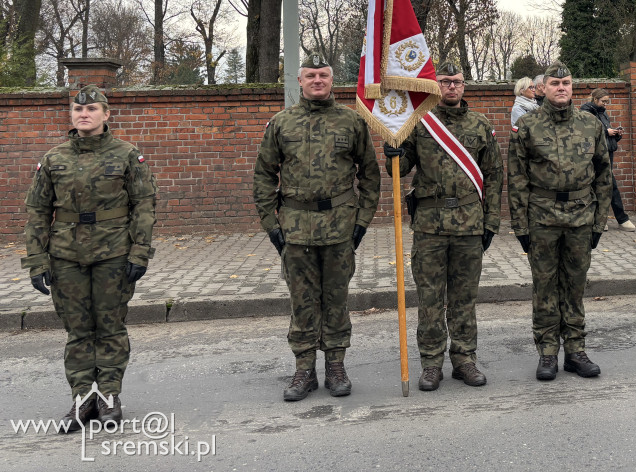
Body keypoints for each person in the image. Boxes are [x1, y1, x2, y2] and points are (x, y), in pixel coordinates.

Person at [23, 85, 157, 429]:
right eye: (78, 110)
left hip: (114, 252)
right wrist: (37, 260)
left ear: (106, 114)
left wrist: (140, 252)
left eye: (92, 109)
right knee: (78, 330)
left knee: (110, 327)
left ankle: (110, 397)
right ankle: (82, 400)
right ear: (72, 115)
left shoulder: (127, 155)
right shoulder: (54, 159)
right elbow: (37, 211)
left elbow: (143, 206)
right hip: (66, 255)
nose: (84, 114)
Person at [253, 54, 381, 401]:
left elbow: (370, 175)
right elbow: (263, 175)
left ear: (331, 79)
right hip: (295, 229)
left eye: (323, 75)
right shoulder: (281, 124)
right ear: (300, 81)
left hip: (340, 228)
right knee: (303, 302)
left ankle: (336, 366)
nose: (317, 81)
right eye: (310, 76)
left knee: (336, 300)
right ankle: (304, 370)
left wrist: (362, 222)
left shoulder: (351, 123)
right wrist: (271, 225)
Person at [384, 62, 504, 391]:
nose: (452, 86)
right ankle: (432, 362)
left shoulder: (480, 125)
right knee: (430, 298)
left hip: (469, 225)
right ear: (435, 87)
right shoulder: (419, 123)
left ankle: (464, 359)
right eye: (445, 82)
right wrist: (392, 150)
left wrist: (490, 222)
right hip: (429, 226)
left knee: (464, 298)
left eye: (457, 82)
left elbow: (494, 176)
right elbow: (401, 166)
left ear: (465, 86)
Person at [508, 63, 612, 381]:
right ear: (544, 88)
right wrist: (520, 227)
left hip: (581, 215)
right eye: (555, 83)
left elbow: (604, 176)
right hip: (542, 216)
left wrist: (599, 222)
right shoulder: (527, 126)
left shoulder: (590, 125)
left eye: (566, 83)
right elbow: (516, 179)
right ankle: (548, 352)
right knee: (545, 287)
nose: (561, 88)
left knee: (575, 286)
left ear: (573, 87)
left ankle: (576, 350)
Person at [581, 88, 636, 231]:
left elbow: (606, 133)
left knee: (609, 185)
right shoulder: (586, 112)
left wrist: (616, 134)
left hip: (608, 153)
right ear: (595, 99)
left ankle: (611, 219)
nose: (606, 104)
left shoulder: (602, 112)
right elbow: (587, 133)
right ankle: (618, 219)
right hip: (595, 156)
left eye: (607, 101)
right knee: (604, 186)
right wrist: (606, 132)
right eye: (603, 101)